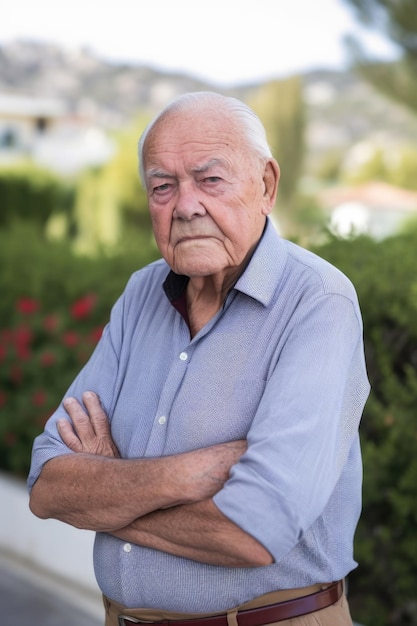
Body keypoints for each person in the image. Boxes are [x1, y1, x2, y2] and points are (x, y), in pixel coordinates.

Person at [28, 91, 370, 626]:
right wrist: (194, 472)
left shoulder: (317, 301)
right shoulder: (143, 292)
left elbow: (256, 527)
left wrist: (109, 492)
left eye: (210, 179)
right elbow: (48, 483)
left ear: (267, 185)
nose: (185, 205)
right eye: (162, 185)